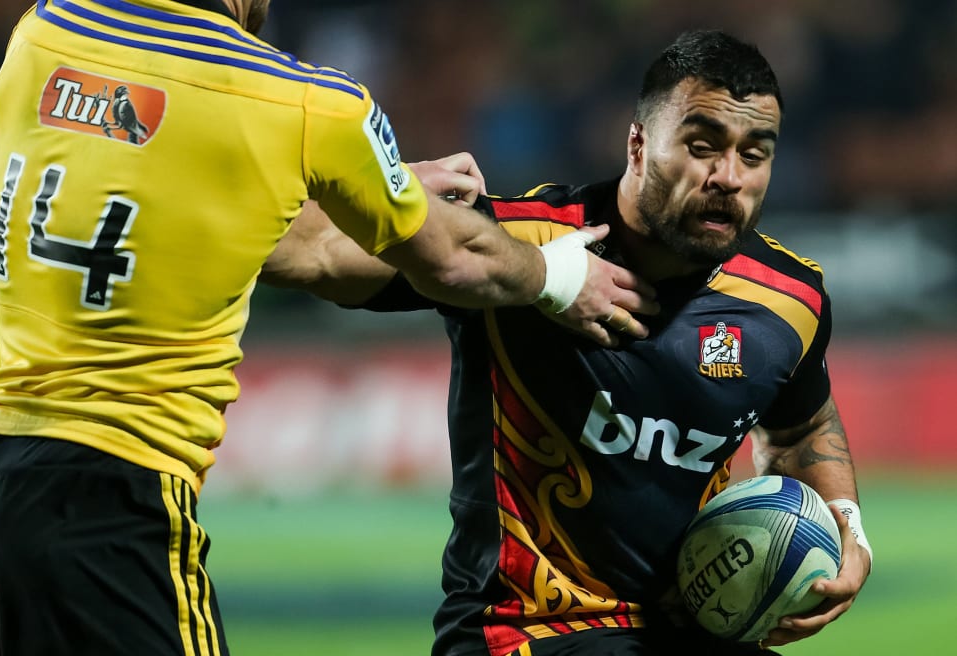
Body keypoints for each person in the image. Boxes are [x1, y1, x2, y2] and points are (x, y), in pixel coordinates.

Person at [0, 1, 660, 655]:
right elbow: (454, 259)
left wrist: (388, 185)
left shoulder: (45, 33)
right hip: (113, 502)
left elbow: (275, 236)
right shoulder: (303, 100)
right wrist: (559, 279)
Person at [261, 29, 872, 656]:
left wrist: (848, 526)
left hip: (686, 629)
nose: (728, 177)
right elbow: (302, 250)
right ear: (638, 144)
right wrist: (399, 195)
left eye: (754, 154)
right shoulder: (515, 243)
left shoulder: (788, 301)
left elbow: (799, 429)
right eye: (701, 146)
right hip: (523, 634)